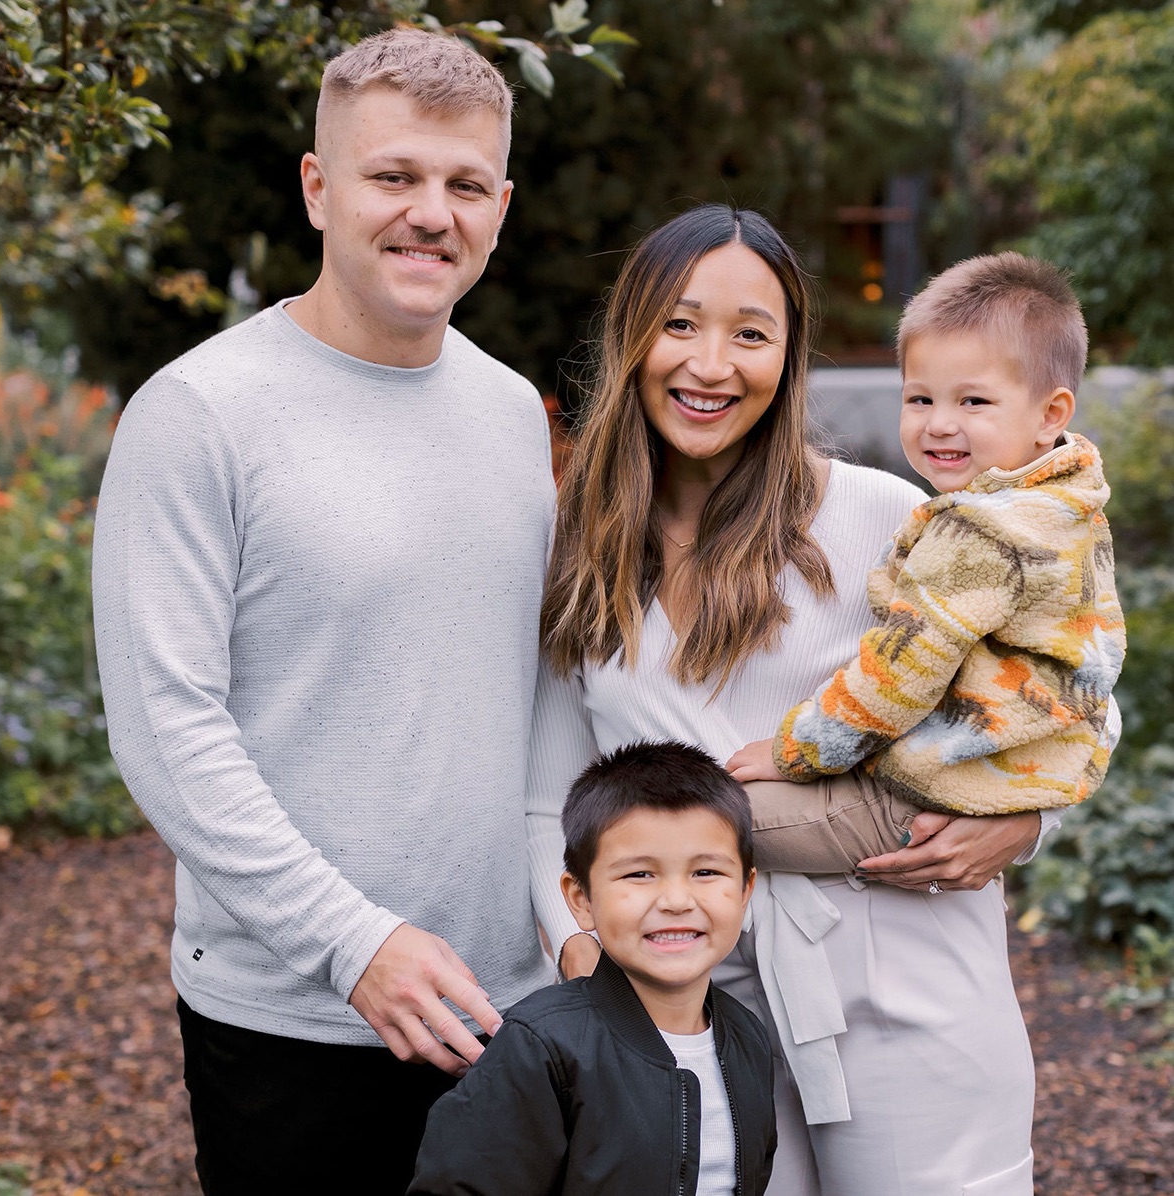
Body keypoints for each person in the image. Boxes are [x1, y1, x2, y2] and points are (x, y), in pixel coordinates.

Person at [92, 29, 556, 1194]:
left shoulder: (510, 412)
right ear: (317, 187)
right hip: (293, 1018)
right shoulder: (199, 413)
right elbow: (164, 728)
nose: (429, 214)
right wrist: (353, 943)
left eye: (463, 186)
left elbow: (543, 690)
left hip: (508, 1001)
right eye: (392, 175)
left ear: (500, 208)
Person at [525, 204, 1052, 1194]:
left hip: (905, 981)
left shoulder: (883, 517)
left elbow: (1047, 690)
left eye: (750, 333)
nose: (710, 364)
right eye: (680, 324)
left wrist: (1025, 821)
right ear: (631, 335)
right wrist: (583, 954)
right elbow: (546, 796)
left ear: (788, 356)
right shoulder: (584, 548)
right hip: (690, 1002)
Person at [726, 251, 1126, 874]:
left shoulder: (980, 531)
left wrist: (798, 750)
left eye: (973, 402)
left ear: (1050, 415)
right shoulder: (1067, 509)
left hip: (929, 792)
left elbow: (902, 671)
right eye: (919, 398)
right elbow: (1092, 663)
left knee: (697, 825)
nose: (939, 424)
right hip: (1006, 777)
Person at [410, 740, 777, 1196]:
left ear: (744, 890)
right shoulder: (542, 1046)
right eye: (639, 874)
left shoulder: (748, 1038)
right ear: (581, 899)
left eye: (706, 872)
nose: (677, 901)